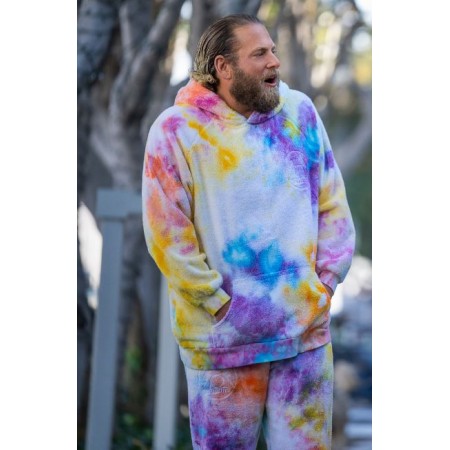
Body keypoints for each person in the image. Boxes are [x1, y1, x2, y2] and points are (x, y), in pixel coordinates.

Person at [142, 13, 355, 450]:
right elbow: (168, 237)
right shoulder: (176, 131)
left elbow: (333, 205)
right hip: (221, 344)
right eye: (259, 54)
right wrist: (217, 304)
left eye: (273, 50)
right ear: (223, 67)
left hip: (304, 337)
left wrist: (324, 286)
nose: (274, 61)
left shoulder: (300, 113)